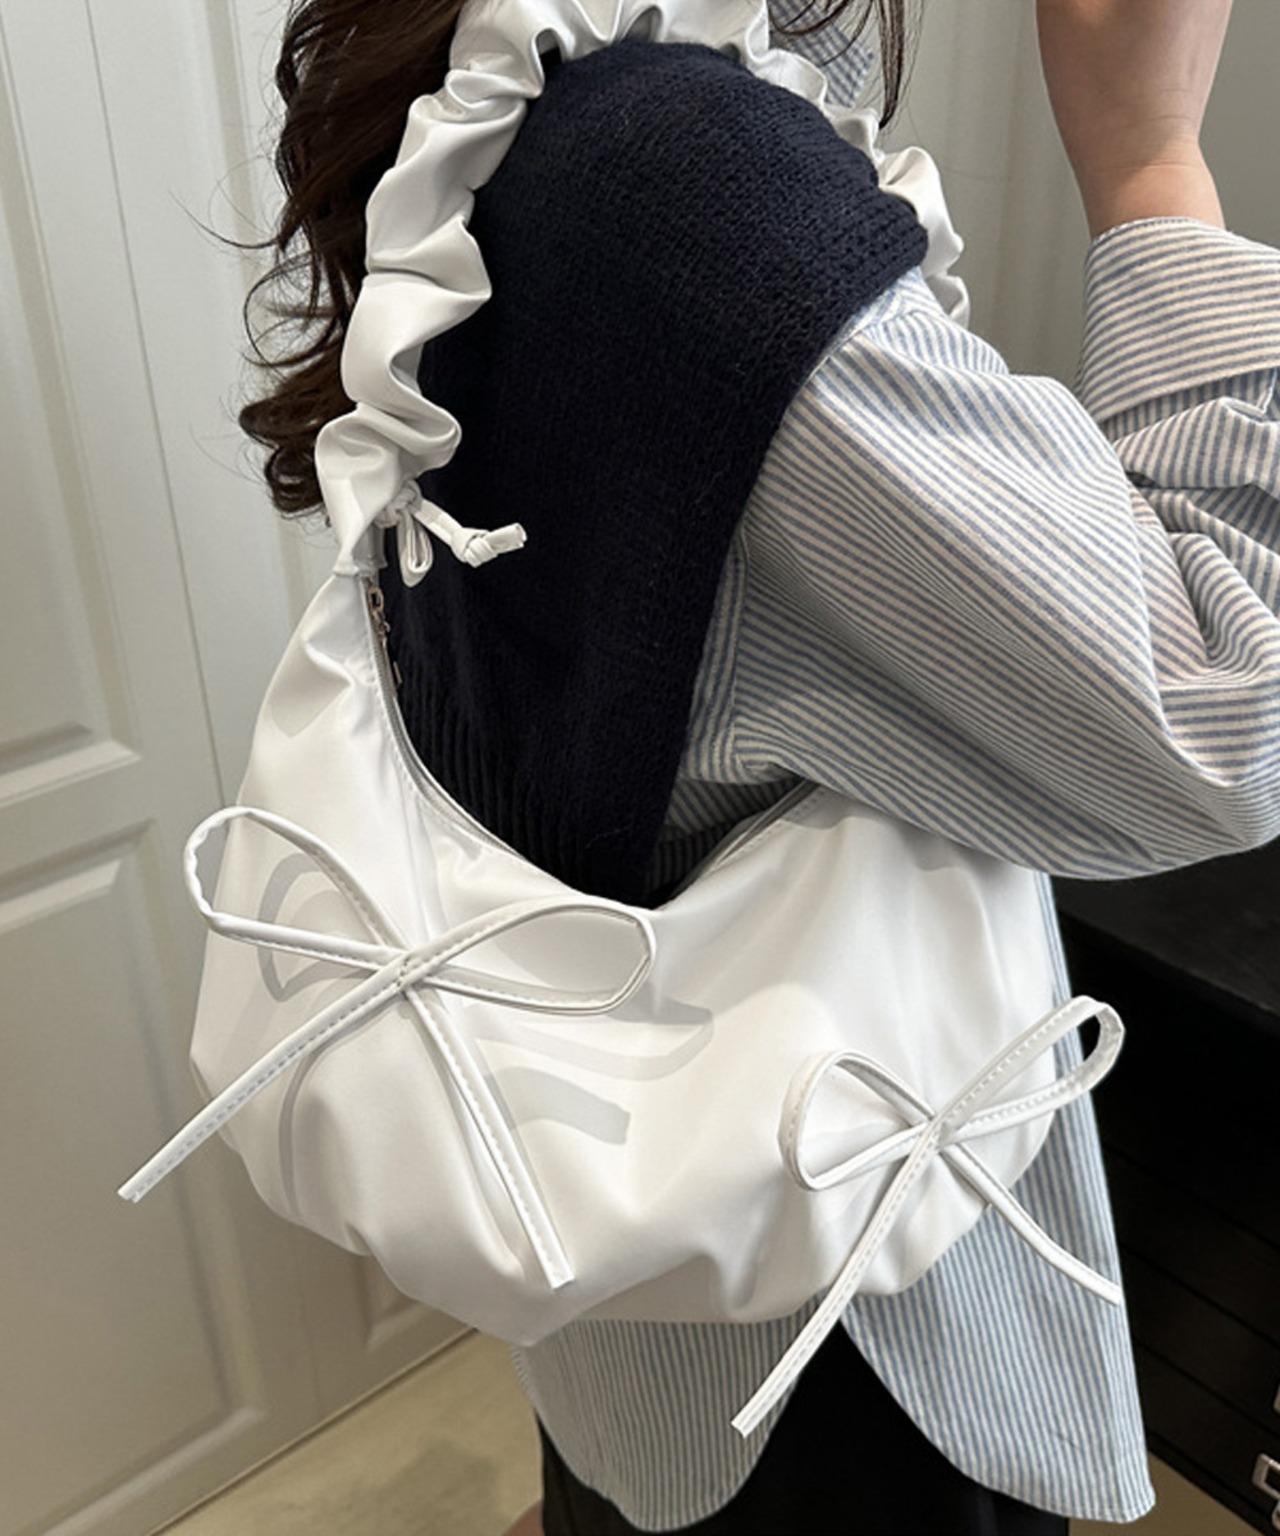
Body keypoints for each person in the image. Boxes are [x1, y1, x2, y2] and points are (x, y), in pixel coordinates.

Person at [238, 0, 1277, 1531]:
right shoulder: (691, 184)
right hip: (839, 1312)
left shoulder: (513, 92)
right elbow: (1231, 718)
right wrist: (1150, 159)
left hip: (638, 1247)